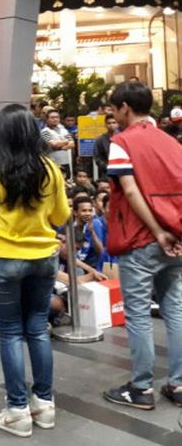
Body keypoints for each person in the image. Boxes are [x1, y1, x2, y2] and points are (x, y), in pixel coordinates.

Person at [0, 104, 70, 437]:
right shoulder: (50, 169)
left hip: (4, 259)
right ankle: (44, 405)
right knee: (38, 328)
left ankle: (17, 410)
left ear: (1, 134)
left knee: (12, 332)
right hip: (44, 258)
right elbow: (61, 217)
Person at [101, 82, 182, 410]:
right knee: (175, 310)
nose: (114, 117)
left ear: (124, 108)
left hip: (140, 239)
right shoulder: (172, 142)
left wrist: (156, 231)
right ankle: (178, 384)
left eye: (114, 110)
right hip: (176, 238)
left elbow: (131, 192)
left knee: (137, 314)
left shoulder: (122, 142)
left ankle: (141, 388)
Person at [41, 109, 74, 179]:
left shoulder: (64, 130)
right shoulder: (45, 131)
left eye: (57, 117)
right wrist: (66, 141)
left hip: (65, 163)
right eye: (52, 117)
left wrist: (59, 146)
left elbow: (72, 144)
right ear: (47, 119)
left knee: (67, 182)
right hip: (52, 164)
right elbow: (54, 144)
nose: (55, 119)